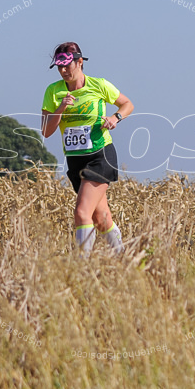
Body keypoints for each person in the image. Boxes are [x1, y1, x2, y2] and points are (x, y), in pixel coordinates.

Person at [41, 42, 133, 254]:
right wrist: (62, 107)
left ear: (80, 62)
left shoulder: (98, 85)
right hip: (75, 160)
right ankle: (127, 263)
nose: (63, 71)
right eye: (59, 66)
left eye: (67, 65)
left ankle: (81, 272)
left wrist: (115, 118)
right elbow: (46, 131)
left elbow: (127, 104)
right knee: (101, 218)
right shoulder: (53, 92)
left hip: (100, 156)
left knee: (82, 213)